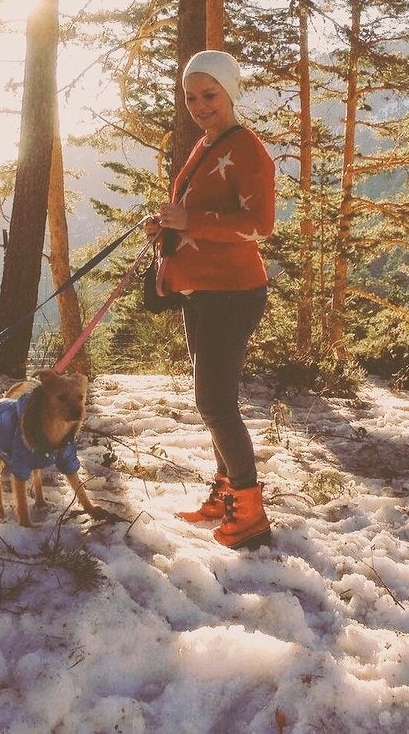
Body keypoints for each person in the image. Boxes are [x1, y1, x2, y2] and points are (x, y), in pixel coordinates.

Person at [144, 50, 275, 549]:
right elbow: (195, 216)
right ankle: (226, 495)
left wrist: (188, 222)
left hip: (233, 293)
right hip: (202, 291)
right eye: (191, 97)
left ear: (231, 93)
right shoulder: (207, 143)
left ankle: (250, 511)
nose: (200, 105)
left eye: (210, 95)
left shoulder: (247, 149)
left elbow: (259, 226)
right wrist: (169, 231)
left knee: (214, 402)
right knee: (215, 402)